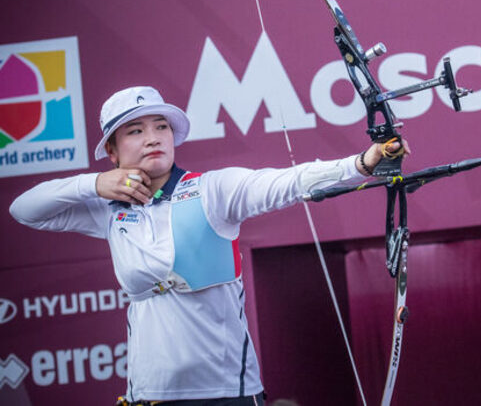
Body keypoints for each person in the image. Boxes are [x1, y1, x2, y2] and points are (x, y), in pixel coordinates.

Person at [9, 86, 407, 405]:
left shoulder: (212, 189)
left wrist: (363, 162)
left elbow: (289, 182)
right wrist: (94, 184)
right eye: (135, 131)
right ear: (111, 152)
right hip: (148, 395)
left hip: (225, 394)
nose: (152, 138)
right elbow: (23, 209)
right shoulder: (108, 209)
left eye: (160, 127)